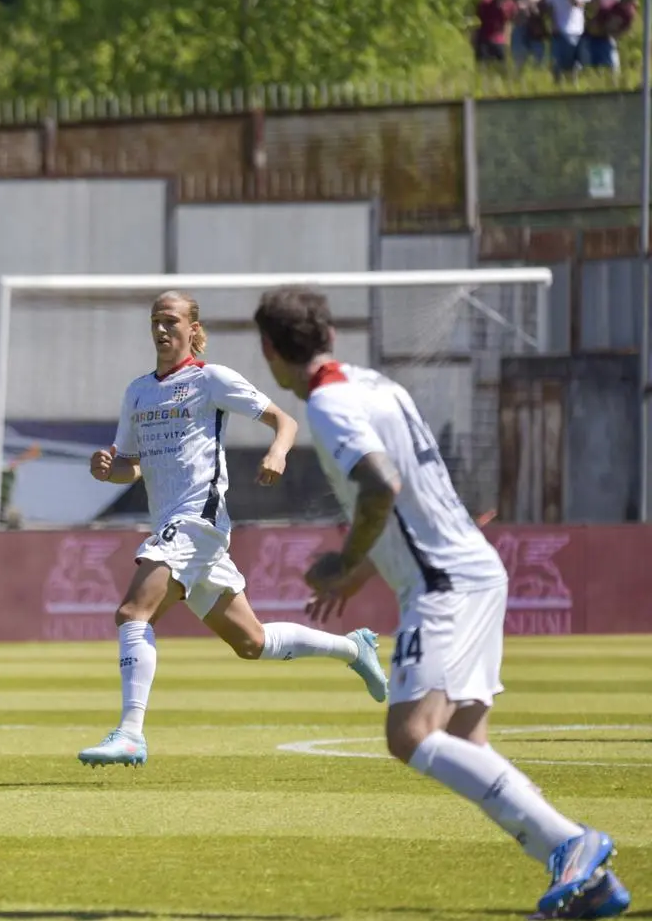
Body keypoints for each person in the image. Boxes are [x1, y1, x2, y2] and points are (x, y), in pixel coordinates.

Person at [251, 287, 629, 921]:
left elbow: (381, 486)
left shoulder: (328, 404)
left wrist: (344, 563)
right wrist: (360, 570)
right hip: (475, 570)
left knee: (410, 734)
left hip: (445, 585)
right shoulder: (379, 386)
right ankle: (586, 881)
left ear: (268, 351)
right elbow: (409, 497)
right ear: (331, 336)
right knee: (464, 740)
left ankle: (571, 842)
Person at [77, 291, 389, 767]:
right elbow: (130, 467)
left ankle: (130, 734)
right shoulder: (138, 390)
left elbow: (282, 419)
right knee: (253, 642)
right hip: (175, 527)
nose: (161, 330)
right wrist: (106, 469)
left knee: (132, 613)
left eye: (170, 321)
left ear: (191, 328)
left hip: (197, 522)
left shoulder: (210, 379)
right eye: (155, 322)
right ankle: (354, 648)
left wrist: (277, 452)